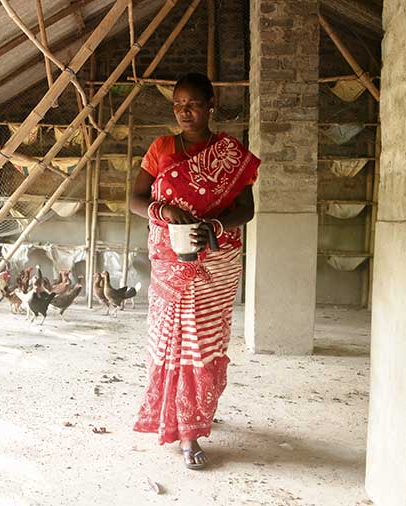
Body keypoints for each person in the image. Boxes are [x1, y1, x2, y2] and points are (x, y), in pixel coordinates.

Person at [129, 72, 260, 470]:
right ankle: (184, 428)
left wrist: (215, 225)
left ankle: (194, 419)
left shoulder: (230, 153)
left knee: (202, 345)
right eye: (178, 105)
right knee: (171, 342)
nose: (185, 112)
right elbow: (135, 199)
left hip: (216, 263)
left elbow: (247, 209)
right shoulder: (161, 148)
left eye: (194, 104)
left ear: (211, 106)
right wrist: (163, 210)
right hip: (171, 261)